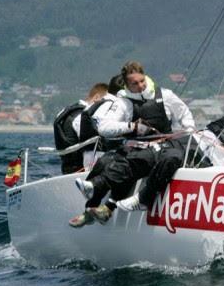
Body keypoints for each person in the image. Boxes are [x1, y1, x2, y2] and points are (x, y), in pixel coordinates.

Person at [68, 61, 195, 228]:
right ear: (127, 85)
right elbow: (104, 127)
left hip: (163, 146)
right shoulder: (124, 102)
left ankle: (108, 206)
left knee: (134, 161)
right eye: (134, 84)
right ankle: (91, 208)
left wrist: (188, 131)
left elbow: (184, 114)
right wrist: (132, 126)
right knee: (105, 161)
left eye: (142, 81)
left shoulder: (165, 95)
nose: (140, 86)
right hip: (136, 145)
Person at [72, 74, 125, 171]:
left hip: (89, 157)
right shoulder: (116, 105)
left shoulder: (92, 107)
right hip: (103, 157)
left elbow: (77, 125)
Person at [53, 83, 109, 174]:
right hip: (82, 170)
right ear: (96, 98)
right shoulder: (83, 117)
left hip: (67, 169)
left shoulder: (65, 112)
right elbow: (92, 144)